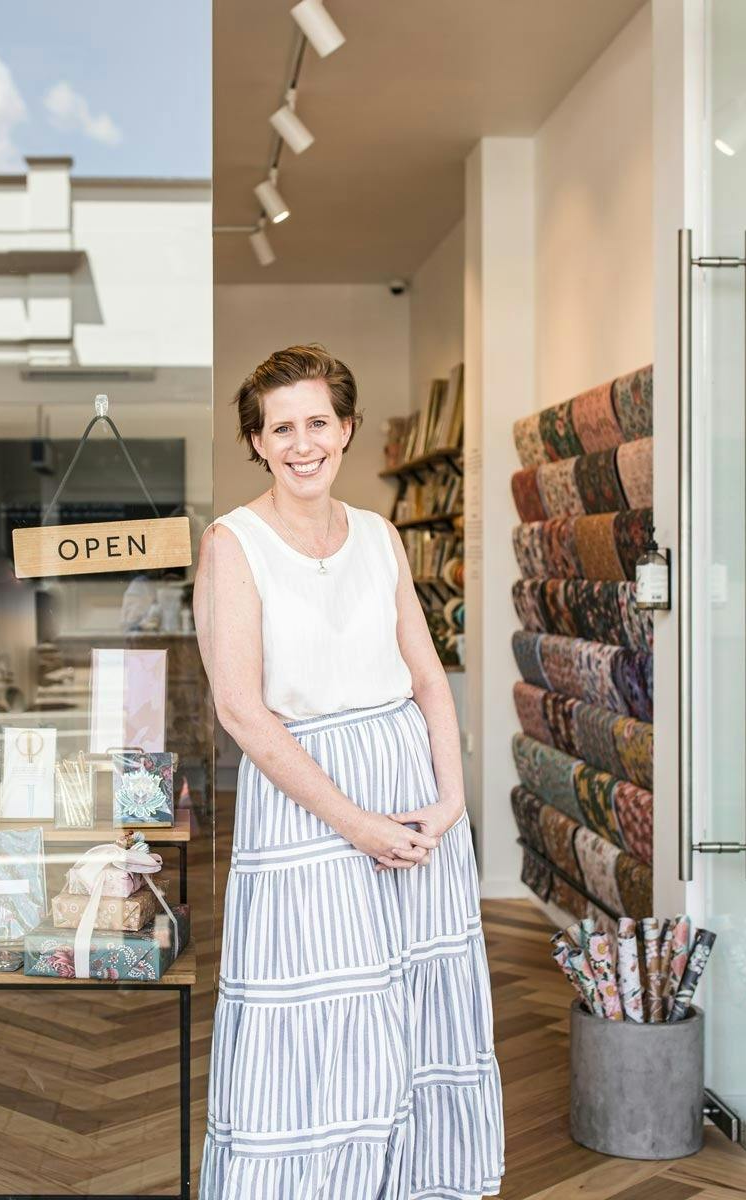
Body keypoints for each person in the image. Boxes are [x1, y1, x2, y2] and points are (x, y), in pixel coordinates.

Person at [195, 345, 504, 1198]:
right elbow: (242, 711)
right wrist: (355, 822)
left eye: (317, 423)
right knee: (321, 999)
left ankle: (408, 1183)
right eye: (280, 428)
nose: (302, 444)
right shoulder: (235, 543)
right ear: (256, 442)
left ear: (348, 429)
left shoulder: (379, 534)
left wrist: (450, 800)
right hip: (307, 801)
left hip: (408, 789)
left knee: (414, 1000)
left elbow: (429, 678)